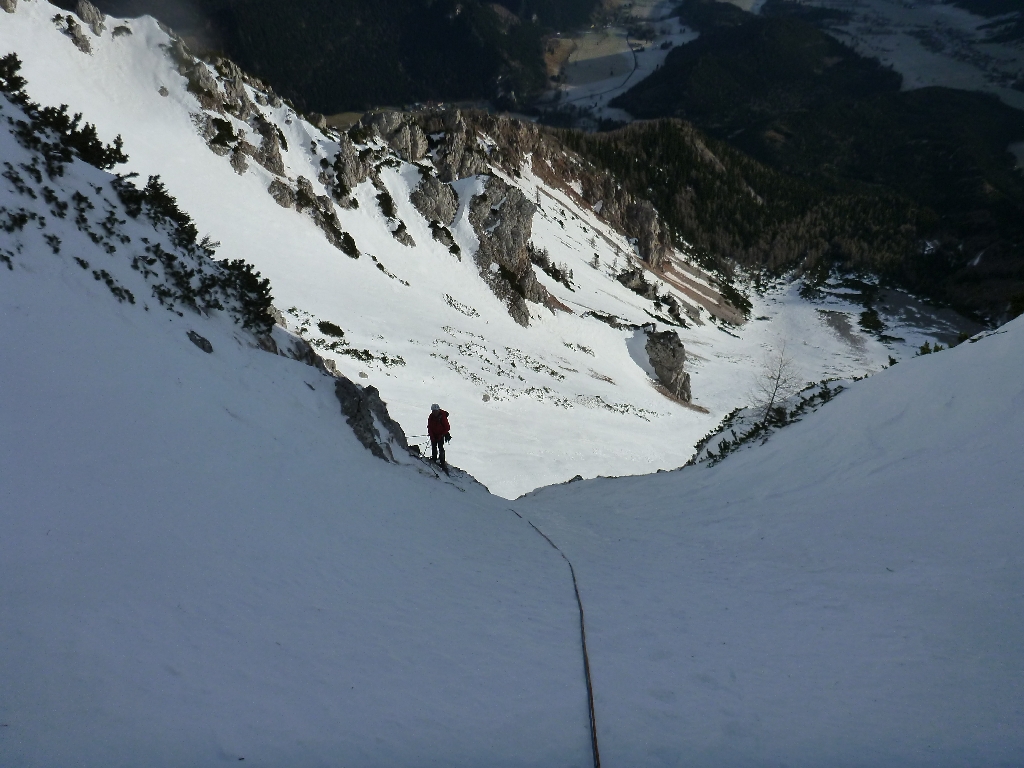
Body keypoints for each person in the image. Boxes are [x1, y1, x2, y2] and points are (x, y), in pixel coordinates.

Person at [427, 403, 451, 471]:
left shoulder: (442, 417)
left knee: (440, 448)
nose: (435, 412)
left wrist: (441, 435)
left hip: (440, 435)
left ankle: (442, 462)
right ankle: (434, 459)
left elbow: (447, 427)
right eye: (433, 411)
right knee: (434, 447)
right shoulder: (431, 417)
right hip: (434, 435)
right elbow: (430, 427)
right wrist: (432, 436)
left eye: (436, 411)